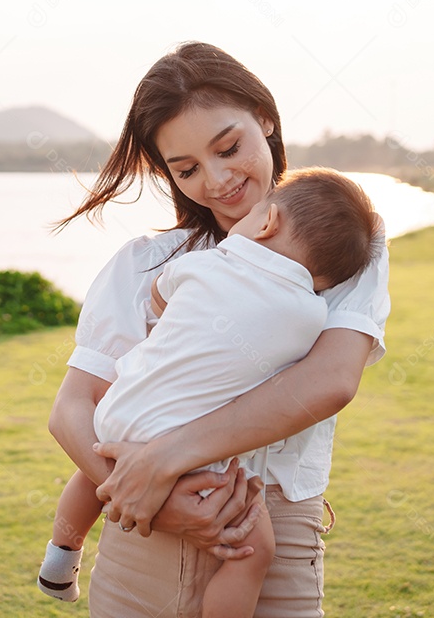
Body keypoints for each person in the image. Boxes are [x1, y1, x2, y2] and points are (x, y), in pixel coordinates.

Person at [47, 41, 390, 617]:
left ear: (267, 121)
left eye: (229, 147)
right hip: (139, 543)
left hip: (269, 547)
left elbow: (330, 381)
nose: (219, 179)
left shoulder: (344, 248)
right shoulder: (148, 264)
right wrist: (158, 496)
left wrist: (164, 461)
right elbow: (73, 408)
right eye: (187, 169)